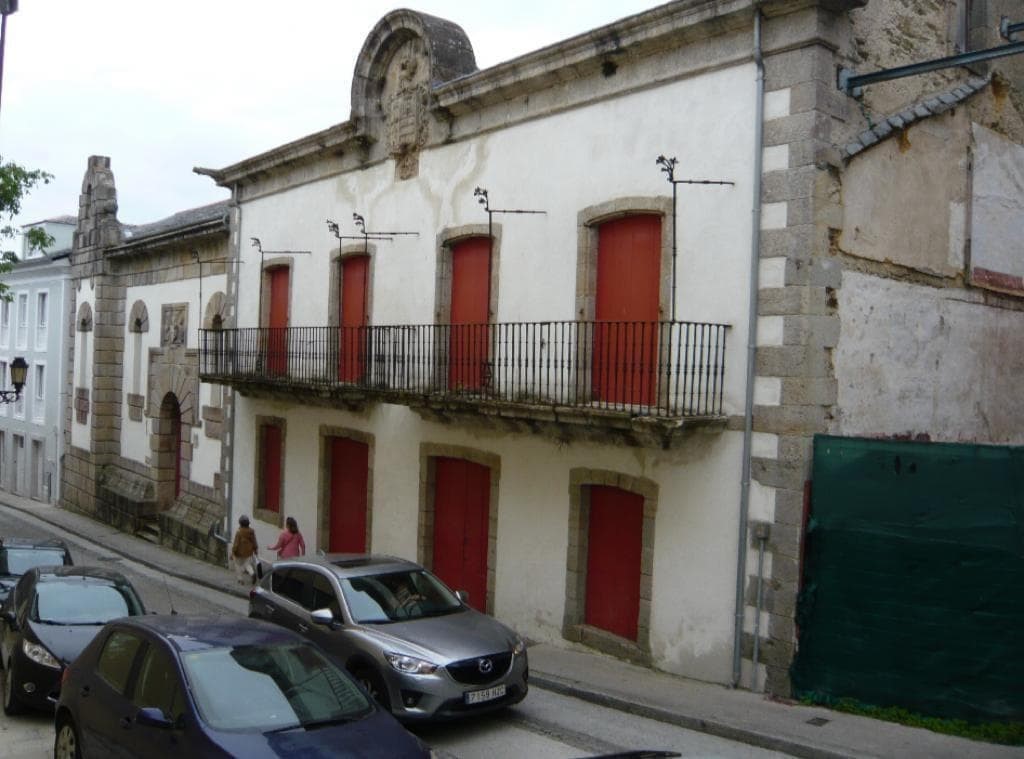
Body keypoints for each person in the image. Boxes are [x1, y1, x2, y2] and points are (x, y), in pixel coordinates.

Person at [230, 515, 258, 585]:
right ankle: (252, 573)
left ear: (240, 523)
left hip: (239, 552)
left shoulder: (239, 532)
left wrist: (233, 552)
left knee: (238, 565)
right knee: (247, 564)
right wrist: (255, 549)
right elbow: (254, 541)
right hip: (248, 552)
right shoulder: (251, 531)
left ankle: (240, 579)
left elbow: (236, 543)